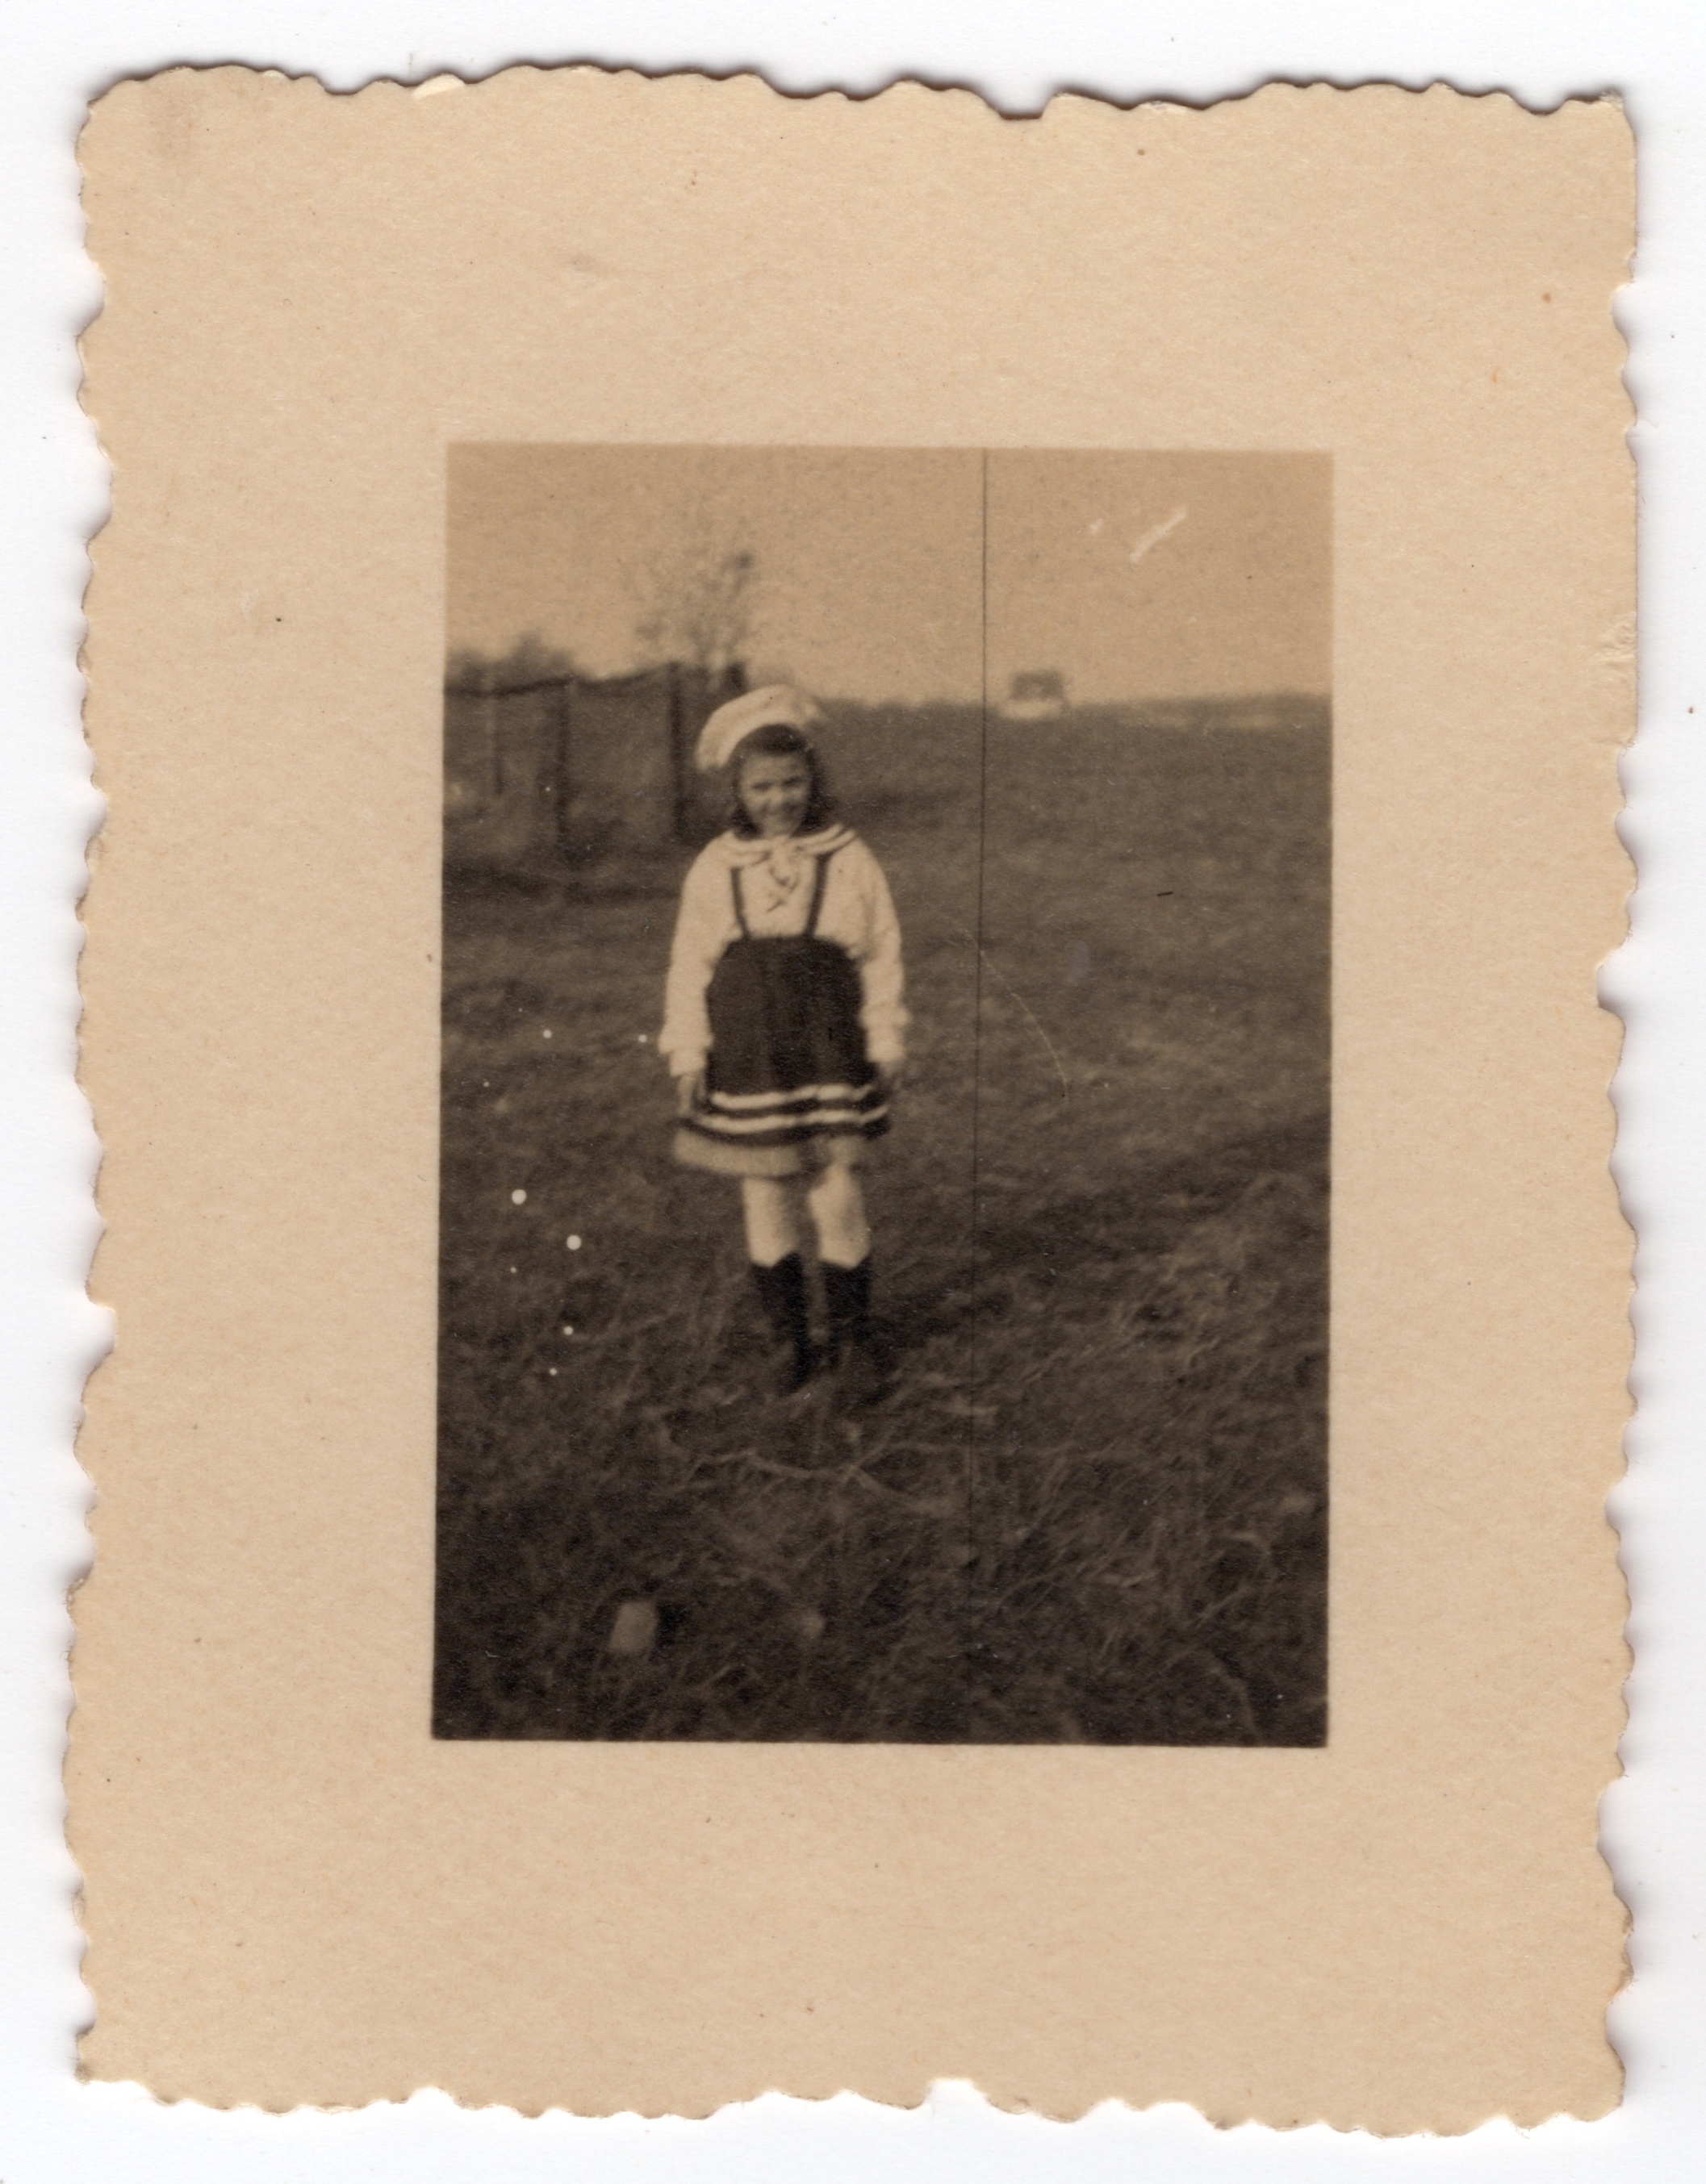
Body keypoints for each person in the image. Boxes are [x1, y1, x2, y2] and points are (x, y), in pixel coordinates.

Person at [659, 685, 906, 1397]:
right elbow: (688, 965)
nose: (778, 799)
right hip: (749, 1046)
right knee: (765, 1188)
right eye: (762, 787)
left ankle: (853, 1340)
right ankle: (789, 1341)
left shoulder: (849, 856)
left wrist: (885, 1036)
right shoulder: (716, 866)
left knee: (836, 1189)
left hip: (829, 1039)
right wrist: (688, 1051)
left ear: (813, 779)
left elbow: (882, 952)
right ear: (738, 791)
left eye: (792, 782)